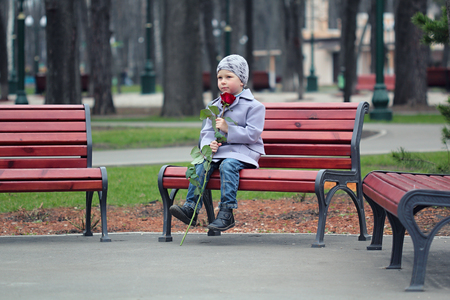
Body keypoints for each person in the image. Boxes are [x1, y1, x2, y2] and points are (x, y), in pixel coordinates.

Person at [169, 54, 266, 232]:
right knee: (201, 164)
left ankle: (226, 212)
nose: (223, 82)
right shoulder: (214, 106)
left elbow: (253, 135)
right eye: (220, 77)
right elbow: (206, 132)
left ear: (242, 80)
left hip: (243, 152)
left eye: (229, 77)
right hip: (220, 152)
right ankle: (191, 207)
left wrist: (229, 129)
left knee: (228, 166)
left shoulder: (254, 107)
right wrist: (209, 145)